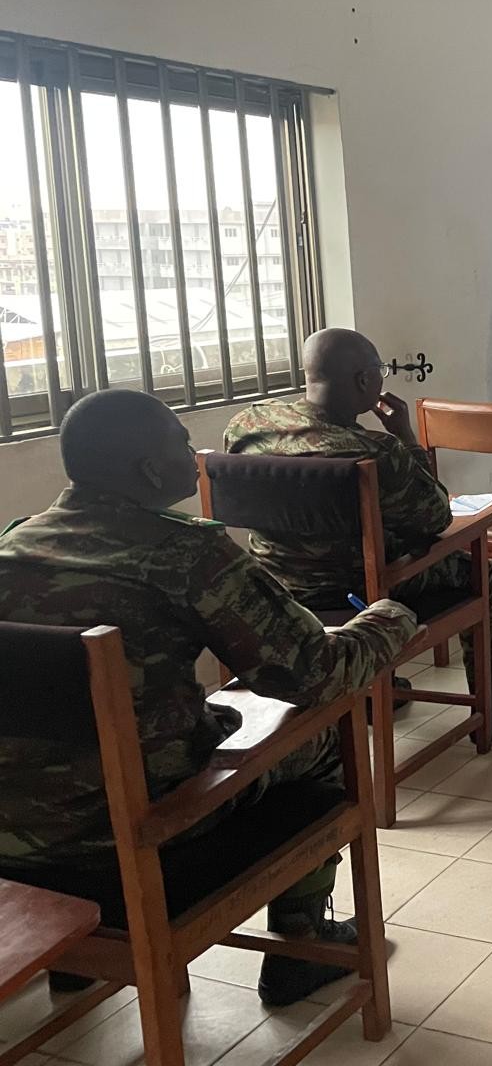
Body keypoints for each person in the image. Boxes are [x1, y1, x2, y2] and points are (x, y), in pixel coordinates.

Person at [0, 390, 419, 1007]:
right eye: (180, 443)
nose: (192, 454)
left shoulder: (14, 543)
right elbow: (313, 675)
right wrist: (389, 619)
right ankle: (300, 944)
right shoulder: (186, 553)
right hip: (131, 843)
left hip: (12, 843)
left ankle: (76, 967)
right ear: (150, 470)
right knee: (326, 731)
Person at [223, 328, 492, 740]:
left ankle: (371, 691)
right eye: (379, 370)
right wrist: (406, 437)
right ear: (364, 380)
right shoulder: (375, 451)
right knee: (479, 571)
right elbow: (435, 515)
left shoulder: (247, 425)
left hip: (275, 589)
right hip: (361, 589)